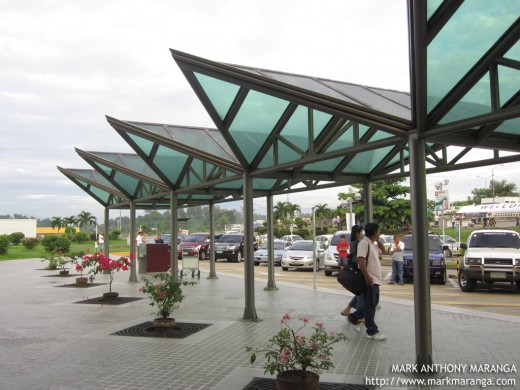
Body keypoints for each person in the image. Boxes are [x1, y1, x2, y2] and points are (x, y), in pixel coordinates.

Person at [347, 222, 386, 341]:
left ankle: (353, 318)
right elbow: (361, 260)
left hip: (375, 280)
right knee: (370, 306)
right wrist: (367, 277)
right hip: (369, 280)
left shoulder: (372, 244)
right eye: (378, 231)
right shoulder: (364, 243)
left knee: (372, 304)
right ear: (375, 232)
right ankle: (372, 330)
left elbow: (383, 250)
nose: (379, 233)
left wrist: (378, 240)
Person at [340, 225, 364, 319]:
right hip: (358, 269)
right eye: (362, 232)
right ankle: (360, 314)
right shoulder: (357, 243)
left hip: (356, 268)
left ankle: (348, 308)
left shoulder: (353, 242)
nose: (363, 234)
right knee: (361, 292)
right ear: (358, 233)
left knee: (361, 292)